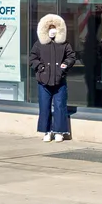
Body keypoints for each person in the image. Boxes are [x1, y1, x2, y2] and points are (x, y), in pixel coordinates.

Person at [29, 13, 75, 142]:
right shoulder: (39, 44)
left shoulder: (64, 44)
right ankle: (46, 131)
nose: (52, 31)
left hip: (59, 80)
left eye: (54, 28)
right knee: (44, 106)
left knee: (60, 105)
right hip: (43, 81)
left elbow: (71, 57)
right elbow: (32, 58)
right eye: (49, 28)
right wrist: (40, 67)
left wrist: (65, 65)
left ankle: (59, 131)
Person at [83, 10, 102, 109]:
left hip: (95, 75)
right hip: (96, 75)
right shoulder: (94, 42)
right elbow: (91, 59)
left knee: (95, 96)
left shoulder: (92, 40)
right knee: (96, 97)